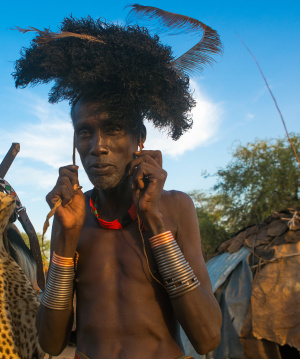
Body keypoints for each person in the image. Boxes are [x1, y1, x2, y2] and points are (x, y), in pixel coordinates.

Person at [13, 5, 223, 359]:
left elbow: (207, 339)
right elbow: (51, 343)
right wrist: (65, 240)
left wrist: (154, 221)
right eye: (85, 133)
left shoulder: (174, 207)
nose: (98, 148)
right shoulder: (71, 218)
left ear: (138, 138)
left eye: (113, 129)